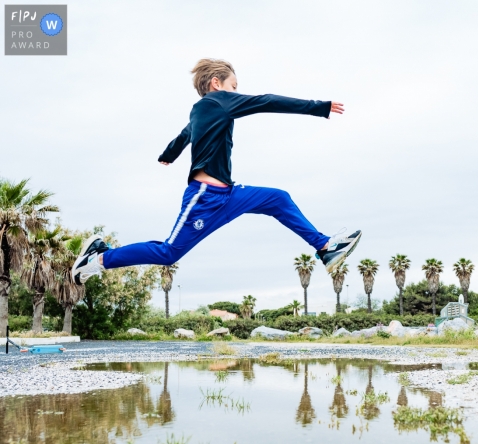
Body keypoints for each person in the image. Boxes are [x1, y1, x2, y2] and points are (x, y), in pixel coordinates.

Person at [72, 59, 361, 284]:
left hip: (229, 194)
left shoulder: (201, 111)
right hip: (205, 197)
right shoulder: (219, 101)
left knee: (278, 199)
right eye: (234, 86)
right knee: (169, 252)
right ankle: (98, 260)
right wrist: (318, 107)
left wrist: (168, 154)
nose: (237, 93)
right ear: (216, 84)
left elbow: (187, 133)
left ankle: (325, 248)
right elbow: (267, 100)